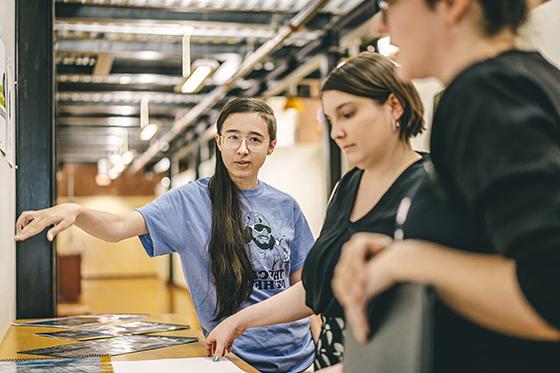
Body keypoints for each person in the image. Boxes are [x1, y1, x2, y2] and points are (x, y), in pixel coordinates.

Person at [333, 1, 560, 373]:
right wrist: (402, 253)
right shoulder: (532, 81)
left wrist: (410, 261)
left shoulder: (486, 92)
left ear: (453, 6)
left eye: (391, 5)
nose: (380, 23)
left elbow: (551, 291)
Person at [14, 98, 316, 373]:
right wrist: (78, 212)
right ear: (219, 141)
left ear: (271, 145)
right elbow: (119, 226)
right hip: (235, 359)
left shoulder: (286, 206)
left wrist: (320, 342)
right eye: (234, 137)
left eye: (255, 139)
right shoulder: (189, 201)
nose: (242, 149)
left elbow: (306, 287)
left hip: (302, 358)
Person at [205, 51, 426, 371]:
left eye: (347, 114)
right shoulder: (346, 188)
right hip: (331, 360)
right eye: (331, 120)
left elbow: (429, 316)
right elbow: (316, 289)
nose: (336, 132)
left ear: (394, 106)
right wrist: (239, 322)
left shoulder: (430, 187)